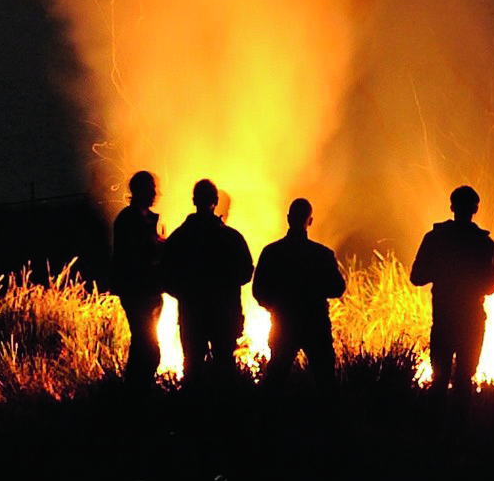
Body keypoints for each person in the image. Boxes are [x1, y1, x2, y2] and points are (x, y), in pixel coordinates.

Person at [161, 178, 255, 387]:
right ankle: (224, 414)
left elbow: (166, 277)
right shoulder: (231, 238)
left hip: (192, 315)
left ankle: (194, 413)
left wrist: (187, 293)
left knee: (193, 368)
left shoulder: (179, 238)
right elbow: (246, 273)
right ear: (216, 201)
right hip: (225, 316)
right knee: (225, 368)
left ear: (194, 201)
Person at [409, 184, 494, 393]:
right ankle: (459, 424)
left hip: (443, 319)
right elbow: (493, 285)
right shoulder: (486, 244)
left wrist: (443, 273)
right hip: (472, 320)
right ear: (475, 209)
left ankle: (434, 424)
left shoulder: (435, 239)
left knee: (439, 380)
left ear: (452, 207)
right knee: (464, 380)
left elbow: (417, 277)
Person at [253, 197, 348, 393]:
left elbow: (259, 290)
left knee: (275, 382)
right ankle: (329, 421)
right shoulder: (322, 254)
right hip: (316, 325)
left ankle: (267, 421)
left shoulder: (272, 252)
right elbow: (338, 288)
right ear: (310, 221)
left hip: (283, 324)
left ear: (288, 218)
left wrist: (276, 307)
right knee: (325, 382)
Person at [105, 169, 166, 397]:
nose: (155, 193)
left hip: (148, 293)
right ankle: (136, 395)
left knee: (143, 346)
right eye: (150, 189)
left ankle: (136, 394)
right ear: (138, 191)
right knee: (147, 348)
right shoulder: (130, 220)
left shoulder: (142, 220)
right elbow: (136, 257)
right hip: (139, 293)